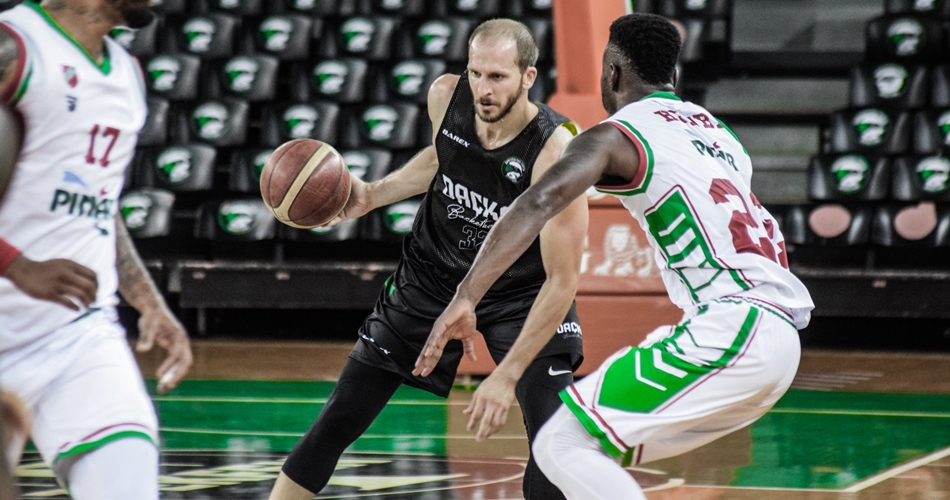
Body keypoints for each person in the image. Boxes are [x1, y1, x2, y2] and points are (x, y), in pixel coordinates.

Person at [415, 13, 814, 500]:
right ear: (673, 74)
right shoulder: (721, 136)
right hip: (777, 343)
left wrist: (466, 296)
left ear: (613, 73)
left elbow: (536, 204)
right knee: (591, 450)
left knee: (561, 443)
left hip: (733, 329)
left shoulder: (615, 136)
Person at [269, 19, 588, 500]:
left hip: (520, 294)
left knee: (554, 439)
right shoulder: (446, 96)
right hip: (431, 277)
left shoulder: (555, 153)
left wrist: (505, 376)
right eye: (475, 73)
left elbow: (562, 281)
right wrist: (372, 194)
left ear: (528, 77)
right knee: (340, 416)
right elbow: (443, 155)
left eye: (497, 77)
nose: (483, 89)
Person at [0, 1, 193, 498]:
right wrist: (16, 265)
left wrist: (147, 300)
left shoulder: (126, 75)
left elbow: (99, 201)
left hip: (76, 332)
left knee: (127, 475)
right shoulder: (14, 47)